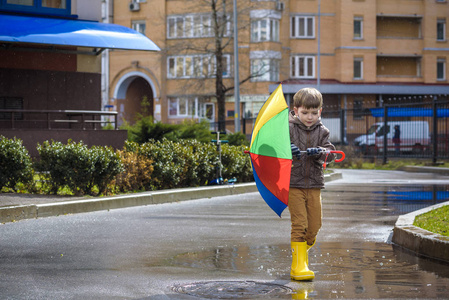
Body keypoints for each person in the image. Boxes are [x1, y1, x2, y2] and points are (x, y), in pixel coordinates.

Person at [289, 87, 336, 281]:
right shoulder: (288, 129)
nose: (310, 117)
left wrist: (322, 153)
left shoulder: (322, 131)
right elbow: (275, 152)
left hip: (315, 183)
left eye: (314, 113)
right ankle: (298, 265)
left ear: (320, 112)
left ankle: (302, 249)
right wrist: (287, 149)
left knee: (315, 225)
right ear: (296, 110)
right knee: (300, 223)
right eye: (305, 112)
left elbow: (331, 154)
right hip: (293, 183)